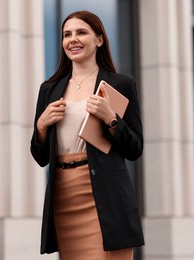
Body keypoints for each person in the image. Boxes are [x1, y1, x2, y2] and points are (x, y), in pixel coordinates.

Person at [30, 10, 144, 260]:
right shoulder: (49, 89)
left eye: (81, 32)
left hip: (106, 195)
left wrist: (110, 118)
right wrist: (41, 126)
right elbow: (40, 157)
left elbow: (135, 148)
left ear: (99, 39)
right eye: (66, 34)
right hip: (65, 195)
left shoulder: (120, 84)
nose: (73, 39)